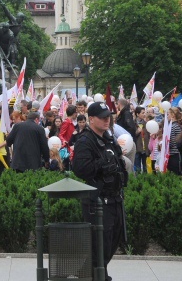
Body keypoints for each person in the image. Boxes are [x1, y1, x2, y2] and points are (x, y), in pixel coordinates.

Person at [73, 102, 127, 281]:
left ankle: (91, 275)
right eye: (102, 117)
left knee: (112, 242)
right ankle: (97, 276)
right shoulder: (85, 140)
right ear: (91, 119)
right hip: (98, 201)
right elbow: (80, 169)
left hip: (115, 199)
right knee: (99, 246)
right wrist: (103, 163)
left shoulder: (108, 138)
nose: (106, 119)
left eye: (108, 116)